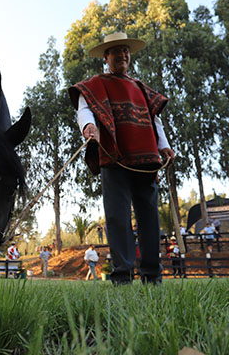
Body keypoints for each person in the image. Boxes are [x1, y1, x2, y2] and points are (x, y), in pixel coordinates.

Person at [69, 32, 175, 285]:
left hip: (146, 160)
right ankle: (122, 276)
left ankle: (153, 276)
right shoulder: (95, 84)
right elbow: (84, 109)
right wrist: (88, 128)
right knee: (117, 218)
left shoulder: (141, 87)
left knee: (149, 217)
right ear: (106, 57)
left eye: (125, 50)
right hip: (114, 157)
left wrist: (165, 146)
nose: (122, 55)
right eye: (115, 51)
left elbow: (155, 120)